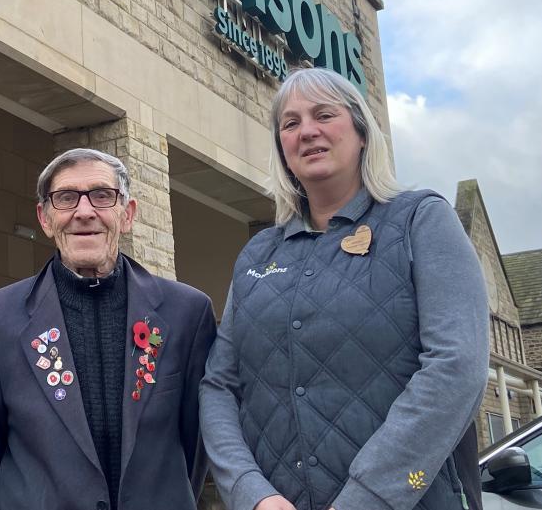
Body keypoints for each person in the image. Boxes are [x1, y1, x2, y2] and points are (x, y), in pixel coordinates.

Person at [199, 67, 489, 510]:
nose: (308, 131)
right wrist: (250, 492)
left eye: (324, 115)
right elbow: (219, 384)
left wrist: (369, 496)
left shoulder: (421, 221)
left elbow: (456, 368)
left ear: (362, 132)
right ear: (282, 147)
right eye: (291, 123)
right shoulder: (258, 255)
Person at [0, 148, 216, 510]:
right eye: (65, 198)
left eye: (101, 195)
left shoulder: (187, 314)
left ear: (127, 214)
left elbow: (195, 446)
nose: (84, 211)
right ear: (45, 219)